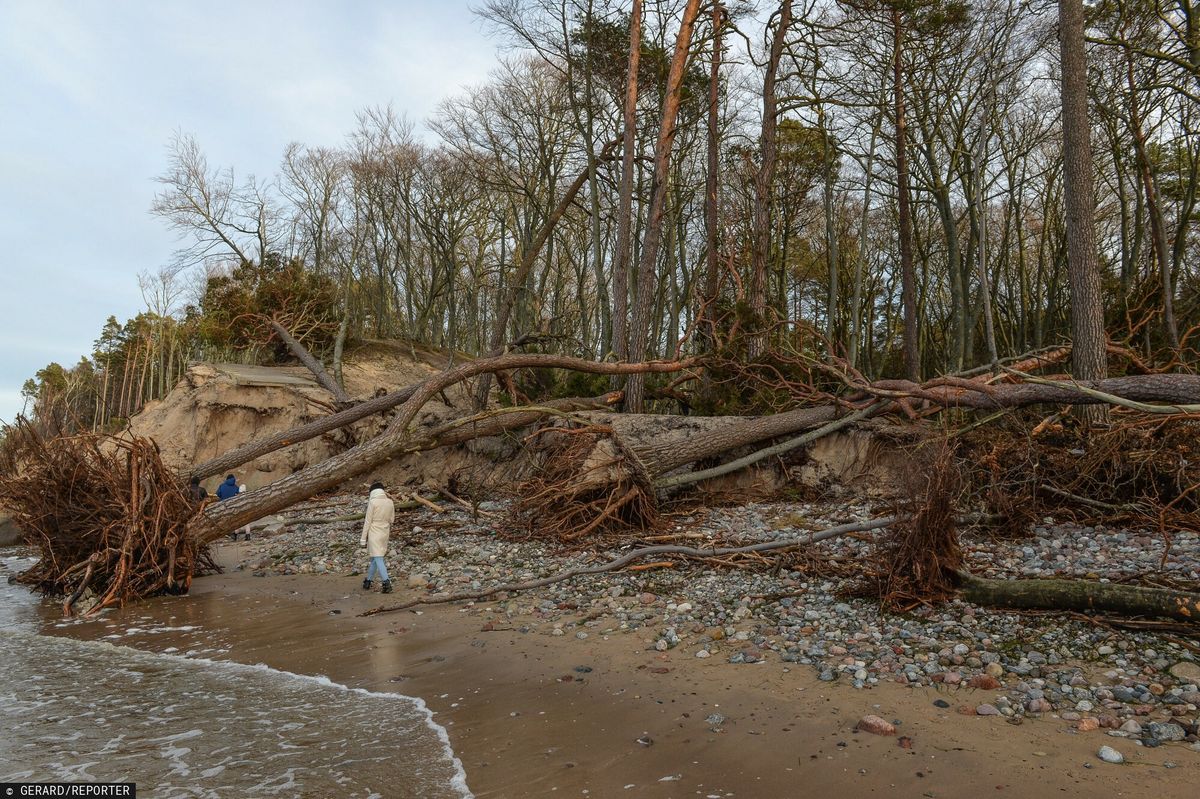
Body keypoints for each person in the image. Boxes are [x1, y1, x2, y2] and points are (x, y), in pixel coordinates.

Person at [360, 481, 396, 593]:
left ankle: (386, 583)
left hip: (374, 532)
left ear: (372, 492)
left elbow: (367, 521)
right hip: (385, 532)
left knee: (378, 558)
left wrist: (362, 539)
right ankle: (368, 581)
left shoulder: (373, 502)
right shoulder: (390, 502)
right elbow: (392, 520)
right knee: (376, 559)